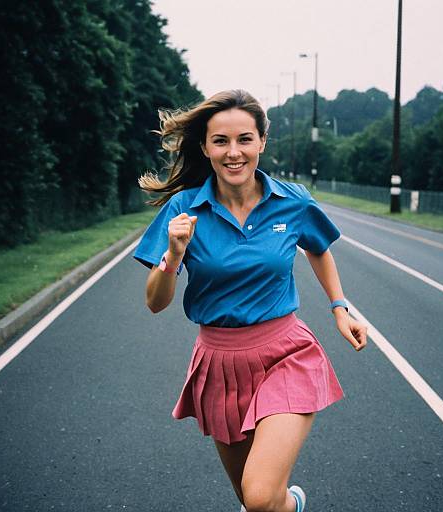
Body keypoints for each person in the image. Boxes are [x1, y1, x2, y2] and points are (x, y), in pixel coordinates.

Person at [133, 89, 367, 512]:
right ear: (205, 147)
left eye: (244, 139)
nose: (233, 152)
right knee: (252, 499)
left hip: (286, 353)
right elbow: (155, 302)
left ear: (261, 142)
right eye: (220, 141)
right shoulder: (183, 210)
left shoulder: (291, 201)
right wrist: (174, 254)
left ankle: (289, 503)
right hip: (218, 364)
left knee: (260, 499)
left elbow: (318, 247)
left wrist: (340, 306)